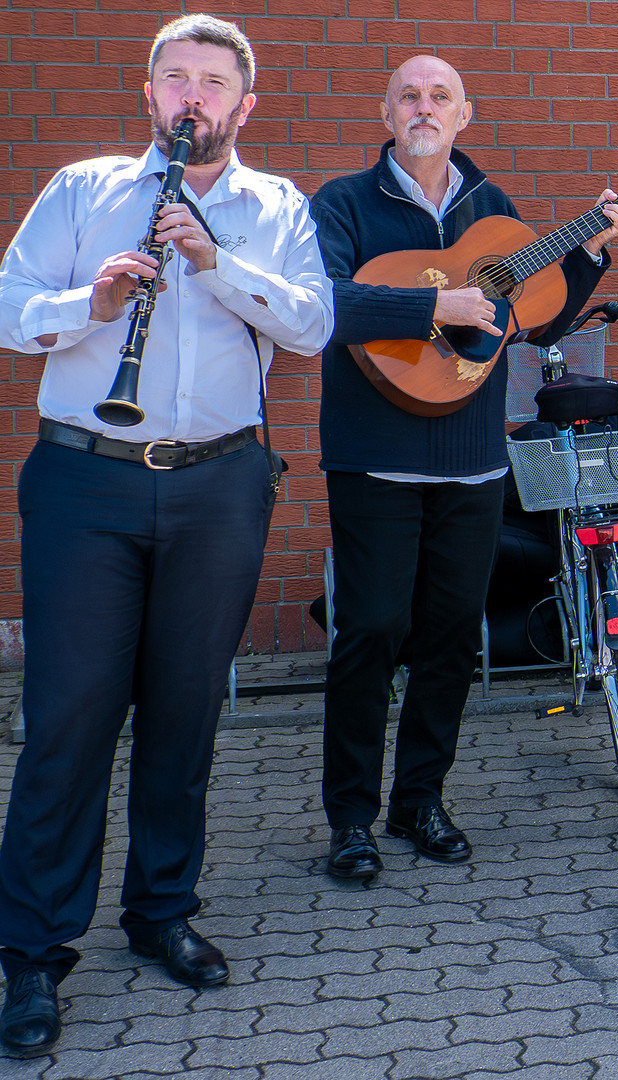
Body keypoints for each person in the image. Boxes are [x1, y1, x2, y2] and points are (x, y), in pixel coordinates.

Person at [0, 14, 333, 1055]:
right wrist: (87, 301)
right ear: (149, 94)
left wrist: (220, 261)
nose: (193, 96)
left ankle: (161, 914)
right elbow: (11, 310)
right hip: (85, 482)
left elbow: (313, 325)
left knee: (186, 713)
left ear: (245, 102)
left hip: (221, 482)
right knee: (67, 720)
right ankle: (32, 952)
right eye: (175, 78)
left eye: (213, 81)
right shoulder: (84, 188)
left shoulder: (275, 205)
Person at [310, 55, 618, 882]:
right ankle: (350, 817)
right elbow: (318, 302)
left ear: (465, 115)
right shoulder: (343, 203)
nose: (424, 109)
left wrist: (592, 254)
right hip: (374, 456)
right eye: (409, 96)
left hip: (469, 459)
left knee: (451, 639)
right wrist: (431, 305)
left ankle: (419, 798)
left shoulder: (492, 210)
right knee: (372, 632)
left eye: (440, 98)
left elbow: (533, 320)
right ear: (386, 110)